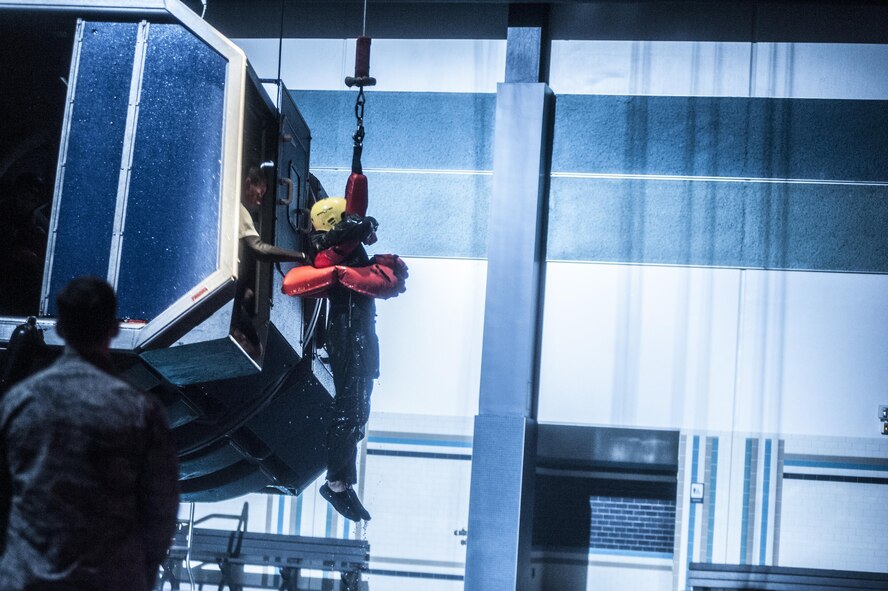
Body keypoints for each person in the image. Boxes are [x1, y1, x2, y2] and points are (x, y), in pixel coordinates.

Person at [0, 276, 179, 591]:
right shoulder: (141, 411)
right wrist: (140, 574)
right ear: (113, 328)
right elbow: (160, 512)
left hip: (27, 580)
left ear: (59, 329)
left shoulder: (19, 402)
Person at [233, 165, 309, 358]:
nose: (261, 200)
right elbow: (259, 249)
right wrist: (300, 256)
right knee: (255, 350)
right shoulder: (238, 209)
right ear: (249, 184)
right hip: (228, 297)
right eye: (261, 192)